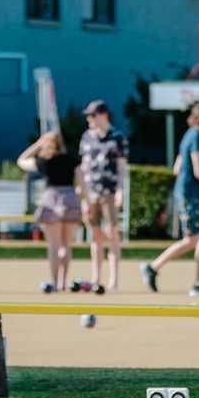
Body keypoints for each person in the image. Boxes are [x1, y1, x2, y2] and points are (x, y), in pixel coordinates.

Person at [142, 103, 199, 297]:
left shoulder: (189, 134)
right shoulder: (196, 136)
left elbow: (177, 167)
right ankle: (153, 267)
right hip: (192, 195)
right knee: (193, 239)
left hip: (190, 193)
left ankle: (198, 283)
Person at [17, 130, 80, 293]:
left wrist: (38, 145)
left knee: (54, 246)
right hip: (70, 199)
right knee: (66, 245)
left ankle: (54, 282)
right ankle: (63, 282)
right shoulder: (72, 160)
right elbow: (81, 181)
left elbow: (21, 161)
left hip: (51, 198)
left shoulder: (44, 161)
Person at [76, 100, 128, 293]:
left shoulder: (117, 136)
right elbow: (84, 166)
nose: (89, 119)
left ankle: (114, 279)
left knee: (112, 233)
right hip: (91, 193)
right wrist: (83, 194)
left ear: (104, 115)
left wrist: (120, 190)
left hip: (109, 192)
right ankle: (96, 277)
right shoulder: (86, 137)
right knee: (95, 234)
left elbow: (121, 167)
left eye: (93, 115)